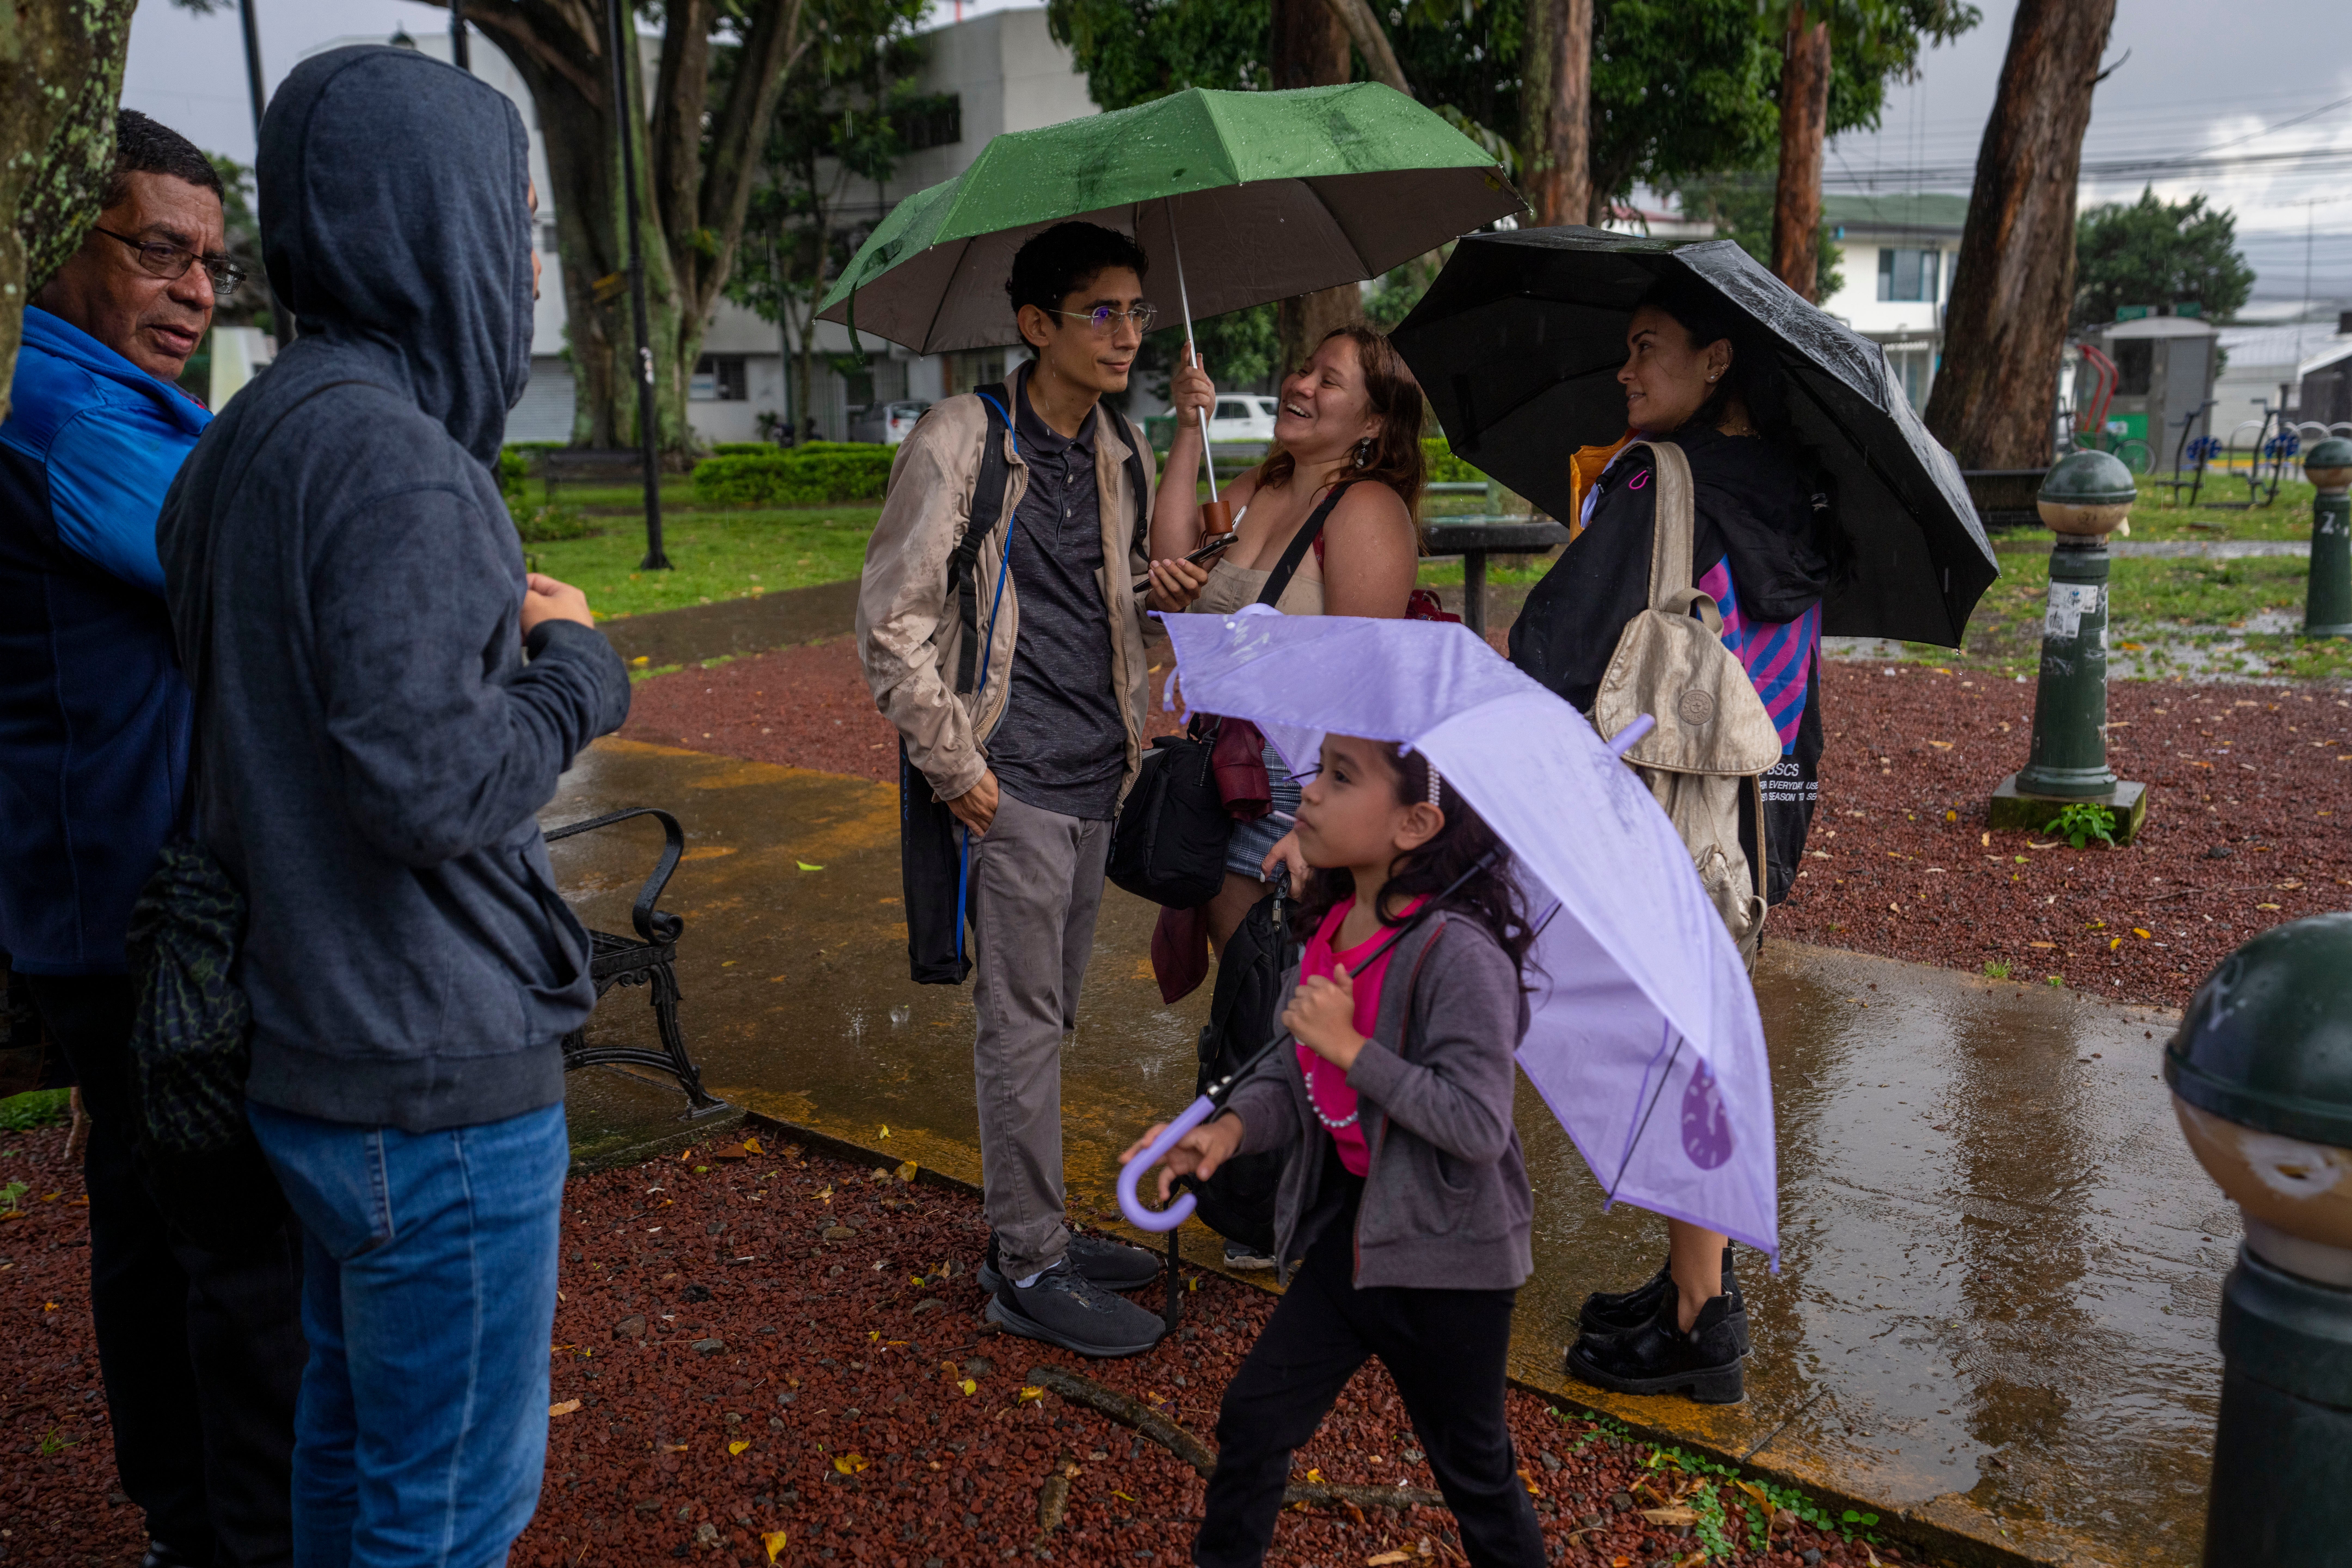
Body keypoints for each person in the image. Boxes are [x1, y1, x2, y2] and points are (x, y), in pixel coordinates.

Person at [153, 46, 630, 1561]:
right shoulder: (404, 469)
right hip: (430, 1074)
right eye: (516, 221)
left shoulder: (245, 442)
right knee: (444, 1516)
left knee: (349, 1461)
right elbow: (437, 787)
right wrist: (577, 672)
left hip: (308, 1055)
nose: (529, 271)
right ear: (434, 220)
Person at [0, 109, 304, 1568]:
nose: (194, 292)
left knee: (155, 1212)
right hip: (133, 913)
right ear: (65, 246)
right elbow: (266, 566)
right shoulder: (62, 419)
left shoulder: (100, 400)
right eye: (159, 252)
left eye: (212, 265)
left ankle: (188, 1518)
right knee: (227, 1242)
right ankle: (227, 1531)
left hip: (124, 899)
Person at [858, 221, 1203, 1359]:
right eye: (1101, 312)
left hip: (1098, 779)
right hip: (1007, 786)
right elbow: (893, 622)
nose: (1127, 334)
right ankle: (1028, 1263)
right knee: (1018, 1031)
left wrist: (1161, 593)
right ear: (1036, 324)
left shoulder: (1122, 446)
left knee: (1047, 1020)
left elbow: (1107, 616)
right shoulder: (964, 437)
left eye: (1138, 312)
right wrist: (962, 776)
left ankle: (1036, 1223)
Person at [1507, 274, 1834, 1404]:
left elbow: (1554, 645)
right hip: (1751, 808)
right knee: (1708, 1025)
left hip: (1663, 810)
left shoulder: (1652, 480)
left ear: (1719, 361)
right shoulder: (1793, 492)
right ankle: (1698, 1276)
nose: (1627, 372)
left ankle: (1700, 1325)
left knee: (1677, 1045)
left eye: (1648, 350)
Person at [1121, 733, 1545, 1568]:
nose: (1308, 793)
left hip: (1453, 1262)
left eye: (1340, 777)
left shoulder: (1460, 956)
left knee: (1476, 1475)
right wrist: (1227, 1131)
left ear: (1416, 824)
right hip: (1353, 1236)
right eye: (1318, 768)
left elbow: (1476, 1125)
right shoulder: (1333, 922)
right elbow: (1289, 1065)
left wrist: (1356, 1049)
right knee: (1254, 1420)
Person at [1152, 327, 1426, 949]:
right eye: (1305, 368)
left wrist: (1316, 823)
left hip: (1297, 783)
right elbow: (1170, 563)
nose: (1299, 384)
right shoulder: (1258, 488)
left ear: (1374, 425)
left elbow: (1365, 690)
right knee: (1245, 989)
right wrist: (1190, 432)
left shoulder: (1368, 511)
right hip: (1228, 770)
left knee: (1291, 990)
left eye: (1328, 381)